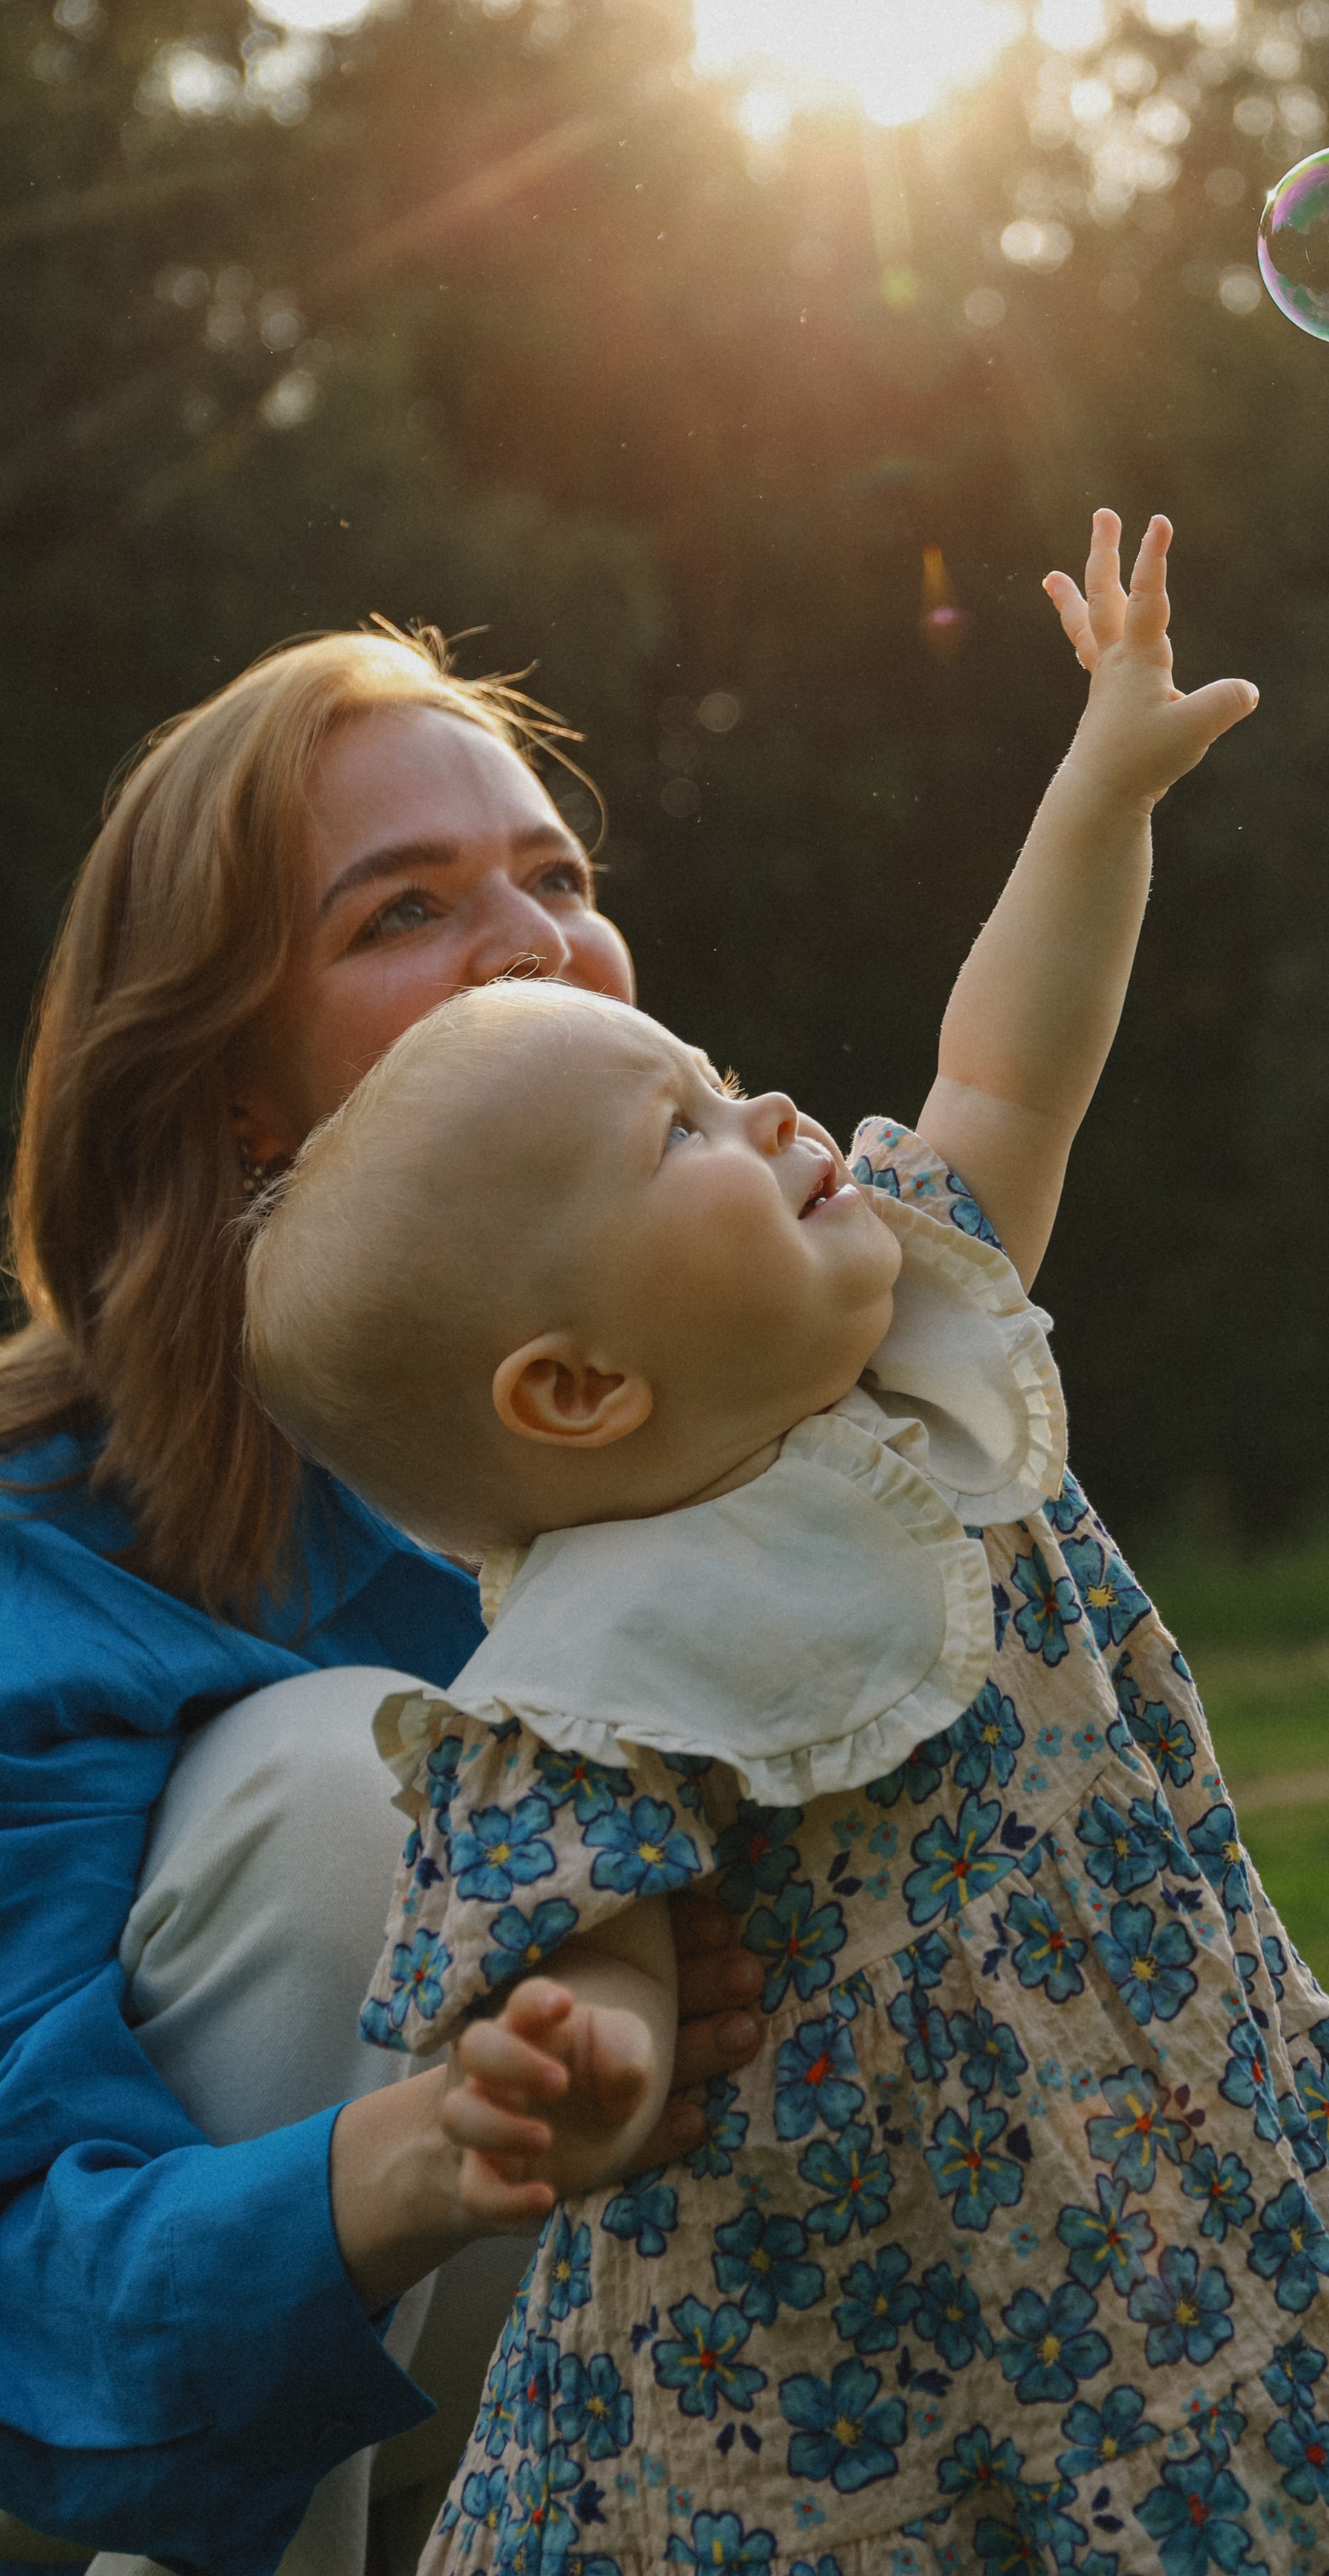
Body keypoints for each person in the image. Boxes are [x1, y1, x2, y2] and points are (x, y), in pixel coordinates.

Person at [248, 517, 1329, 2576]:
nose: (773, 1111)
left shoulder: (908, 1360)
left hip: (1138, 2166)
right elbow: (610, 1974)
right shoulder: (588, 1679)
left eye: (716, 1080)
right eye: (685, 1134)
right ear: (576, 1387)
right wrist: (582, 2069)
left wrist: (1099, 790)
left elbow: (1006, 1064)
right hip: (847, 2342)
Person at [0, 632, 767, 2576]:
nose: (538, 944)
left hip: (611, 2389)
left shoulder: (755, 1409)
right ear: (237, 1091)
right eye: (404, 910)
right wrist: (423, 2153)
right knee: (352, 1777)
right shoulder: (49, 1554)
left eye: (558, 874)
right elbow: (22, 2258)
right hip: (104, 2421)